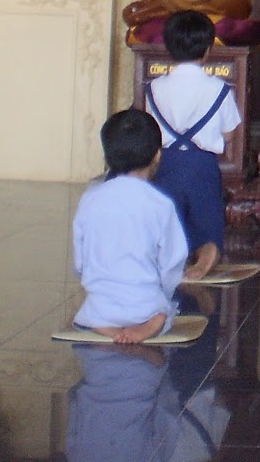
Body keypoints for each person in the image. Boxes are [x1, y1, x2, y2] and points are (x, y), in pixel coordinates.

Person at [72, 108, 188, 344]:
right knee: (163, 309)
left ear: (108, 156)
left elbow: (79, 261)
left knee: (92, 308)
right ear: (157, 155)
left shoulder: (90, 199)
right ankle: (152, 322)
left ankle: (102, 323)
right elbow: (173, 263)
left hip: (100, 305)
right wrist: (164, 294)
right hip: (144, 304)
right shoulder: (160, 205)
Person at [145, 11, 241, 281]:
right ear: (208, 48)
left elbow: (150, 128)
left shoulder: (154, 88)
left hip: (165, 163)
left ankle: (168, 260)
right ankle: (204, 260)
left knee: (167, 220)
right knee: (207, 224)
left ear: (168, 46)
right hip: (203, 165)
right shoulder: (219, 89)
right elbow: (230, 133)